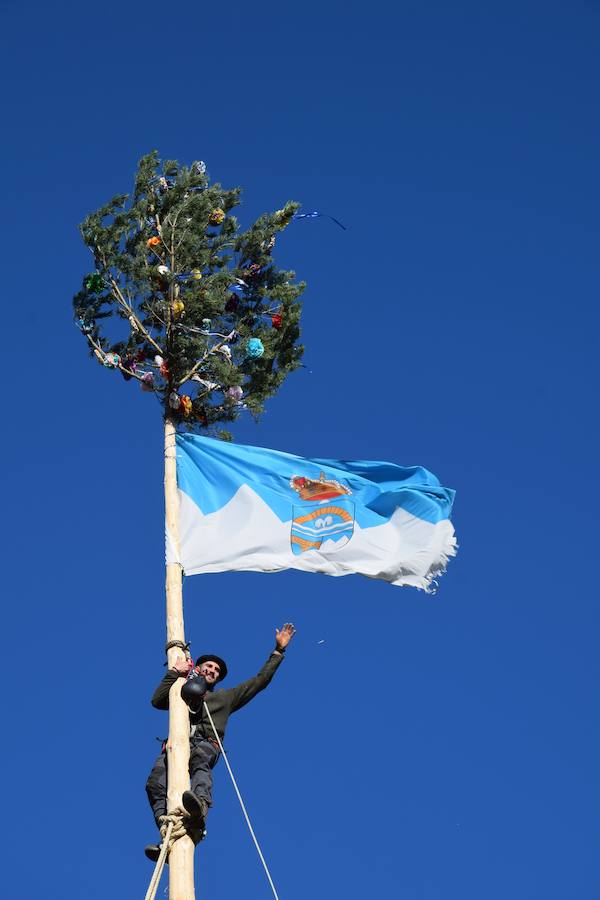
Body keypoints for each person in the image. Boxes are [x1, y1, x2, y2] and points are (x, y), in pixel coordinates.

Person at [144, 622, 296, 860]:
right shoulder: (181, 691)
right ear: (199, 668)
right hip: (176, 745)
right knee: (154, 782)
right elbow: (156, 700)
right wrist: (175, 672)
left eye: (217, 670)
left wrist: (278, 651)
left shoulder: (225, 698)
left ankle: (199, 808)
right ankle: (167, 830)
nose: (213, 670)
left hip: (205, 743)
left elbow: (259, 681)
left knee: (199, 760)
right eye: (209, 666)